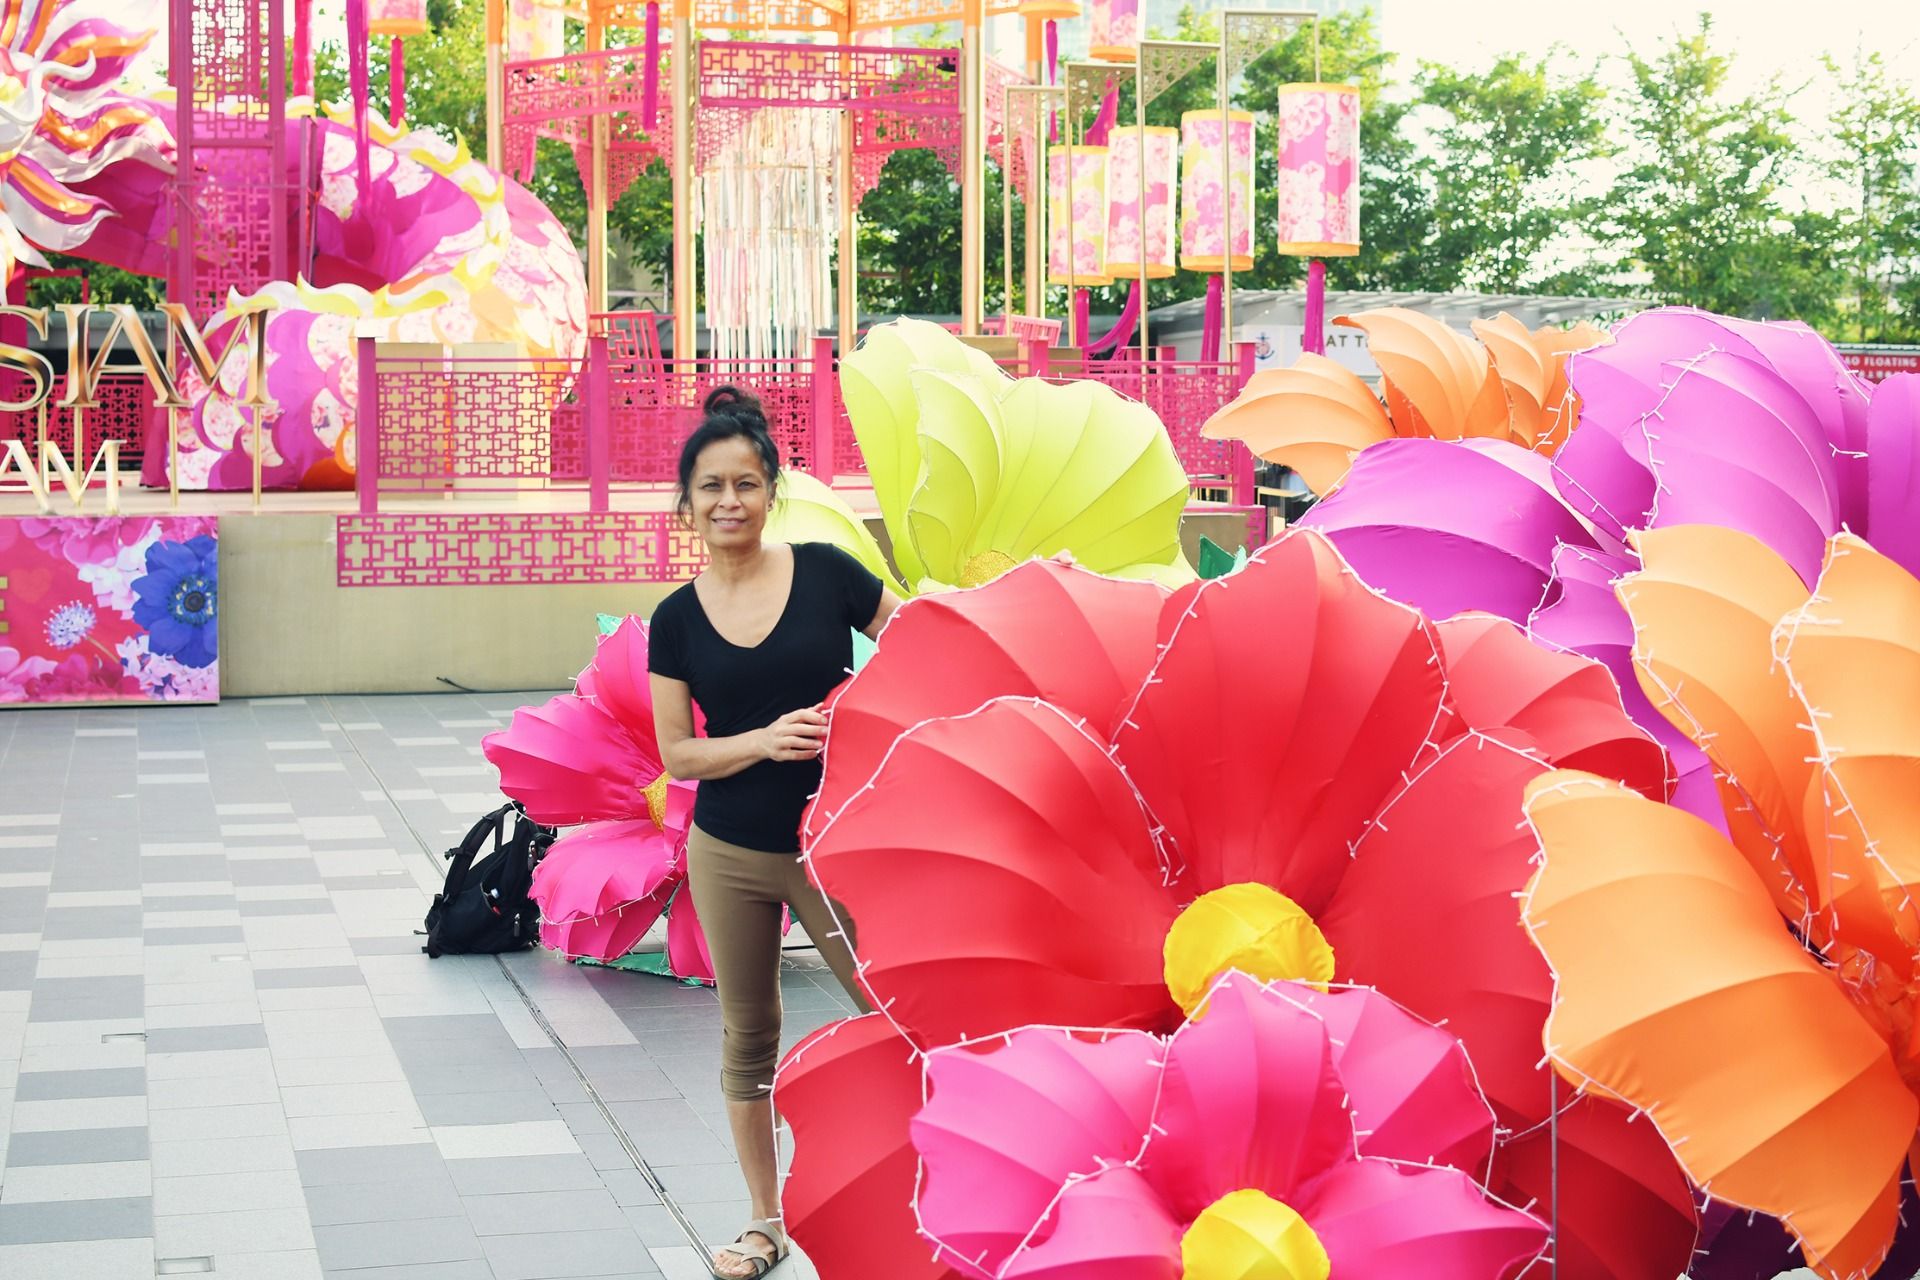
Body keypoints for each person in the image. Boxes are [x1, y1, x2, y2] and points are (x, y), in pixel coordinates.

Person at [648, 386, 902, 1279]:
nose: (729, 502)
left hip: (836, 843)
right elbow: (678, 756)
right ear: (688, 501)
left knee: (897, 1011)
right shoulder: (674, 620)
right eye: (711, 486)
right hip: (731, 855)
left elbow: (913, 647)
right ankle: (765, 1222)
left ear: (771, 490)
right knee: (747, 1039)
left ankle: (922, 1191)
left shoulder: (829, 572)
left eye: (746, 484)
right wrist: (760, 739)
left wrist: (858, 710)